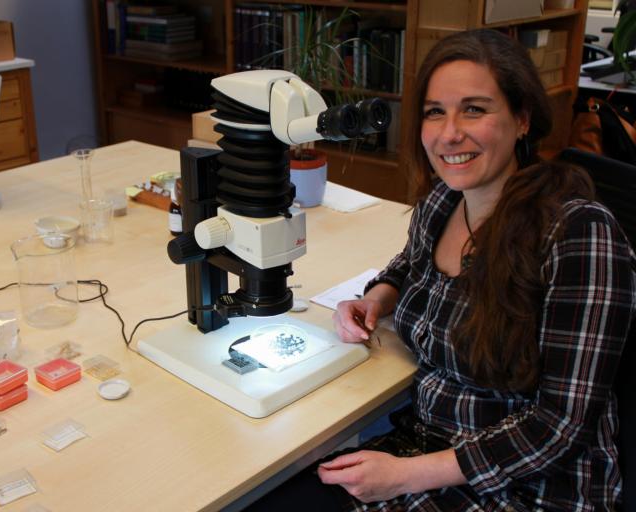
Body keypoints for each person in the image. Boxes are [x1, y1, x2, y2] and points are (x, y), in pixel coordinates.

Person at [247, 29, 636, 511]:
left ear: (521, 119)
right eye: (435, 112)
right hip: (428, 445)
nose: (449, 133)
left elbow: (560, 426)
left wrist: (404, 476)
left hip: (529, 487)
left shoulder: (578, 233)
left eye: (474, 109)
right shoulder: (444, 201)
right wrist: (376, 298)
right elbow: (407, 265)